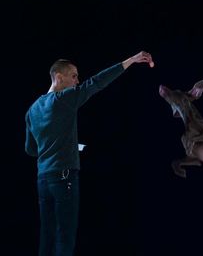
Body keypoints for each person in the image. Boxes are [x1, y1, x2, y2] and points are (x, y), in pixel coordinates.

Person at [25, 51, 154, 256]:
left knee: (47, 236)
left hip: (43, 180)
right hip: (64, 176)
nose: (77, 80)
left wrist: (65, 144)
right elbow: (95, 83)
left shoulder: (32, 110)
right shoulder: (63, 100)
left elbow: (31, 149)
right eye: (74, 76)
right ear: (59, 77)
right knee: (64, 237)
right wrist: (129, 61)